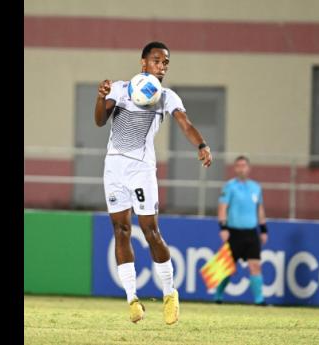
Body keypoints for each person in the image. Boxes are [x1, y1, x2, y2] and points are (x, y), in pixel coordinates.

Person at [94, 41, 212, 324]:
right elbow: (100, 121)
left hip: (141, 171)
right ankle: (132, 300)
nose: (162, 66)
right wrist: (100, 98)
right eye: (157, 61)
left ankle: (170, 293)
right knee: (121, 230)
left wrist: (202, 144)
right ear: (143, 62)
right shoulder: (121, 89)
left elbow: (184, 123)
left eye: (166, 63)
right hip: (113, 169)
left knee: (150, 232)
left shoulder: (166, 97)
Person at [215, 155, 268, 305]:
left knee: (255, 265)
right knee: (228, 268)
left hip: (251, 233)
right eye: (238, 165)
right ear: (235, 168)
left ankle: (259, 300)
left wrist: (264, 229)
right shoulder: (229, 186)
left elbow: (260, 210)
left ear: (248, 168)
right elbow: (222, 208)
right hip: (234, 233)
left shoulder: (256, 188)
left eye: (244, 165)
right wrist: (223, 227)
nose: (241, 168)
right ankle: (218, 295)